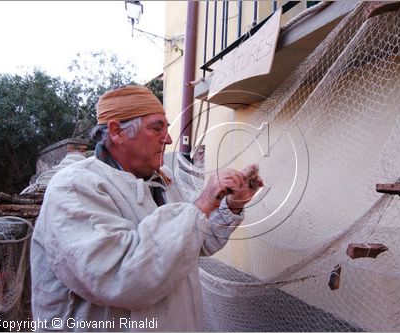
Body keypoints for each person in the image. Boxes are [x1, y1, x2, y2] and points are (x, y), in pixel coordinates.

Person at [30, 85, 263, 331]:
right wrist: (202, 204)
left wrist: (231, 205)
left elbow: (197, 241)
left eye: (167, 127)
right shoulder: (74, 187)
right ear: (117, 131)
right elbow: (122, 277)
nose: (169, 138)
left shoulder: (164, 179)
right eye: (156, 127)